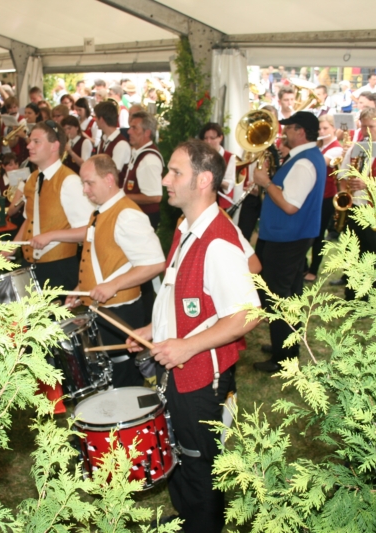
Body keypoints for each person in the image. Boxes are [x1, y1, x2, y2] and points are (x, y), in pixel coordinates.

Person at [127, 140, 261, 533]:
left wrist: (187, 345)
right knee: (179, 450)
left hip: (201, 376)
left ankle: (202, 524)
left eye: (175, 172)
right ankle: (188, 517)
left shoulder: (217, 241)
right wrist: (155, 330)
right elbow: (182, 294)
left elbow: (247, 313)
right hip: (180, 367)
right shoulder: (186, 227)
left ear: (203, 181)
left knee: (199, 460)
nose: (165, 180)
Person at [65, 154, 165, 387]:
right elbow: (101, 260)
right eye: (83, 183)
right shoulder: (100, 211)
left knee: (123, 378)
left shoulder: (127, 214)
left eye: (89, 183)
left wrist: (114, 285)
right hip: (102, 309)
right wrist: (81, 288)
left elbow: (156, 263)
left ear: (109, 179)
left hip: (121, 311)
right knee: (108, 375)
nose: (85, 190)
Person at [251, 111, 326, 373]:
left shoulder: (304, 162)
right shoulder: (305, 157)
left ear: (301, 131)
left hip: (287, 239)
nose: (284, 133)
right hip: (290, 236)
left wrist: (266, 182)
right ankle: (286, 347)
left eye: (289, 128)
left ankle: (283, 358)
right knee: (290, 295)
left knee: (277, 297)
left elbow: (290, 205)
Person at [8, 121, 95, 291]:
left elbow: (91, 229)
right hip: (30, 265)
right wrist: (11, 248)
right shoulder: (32, 178)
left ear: (54, 146)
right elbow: (29, 220)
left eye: (36, 142)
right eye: (30, 141)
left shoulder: (70, 182)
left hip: (59, 269)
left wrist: (51, 236)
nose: (29, 146)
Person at [336, 107, 376, 301]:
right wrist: (345, 193)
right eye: (363, 126)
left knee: (372, 254)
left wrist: (368, 184)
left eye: (371, 126)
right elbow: (342, 175)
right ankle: (351, 293)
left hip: (374, 211)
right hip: (354, 207)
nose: (367, 131)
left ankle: (369, 296)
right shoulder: (355, 148)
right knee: (352, 252)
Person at [305, 115, 343, 282]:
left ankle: (313, 270)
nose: (321, 132)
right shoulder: (320, 145)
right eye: (319, 129)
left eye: (325, 128)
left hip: (326, 196)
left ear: (334, 129)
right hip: (314, 195)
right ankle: (304, 266)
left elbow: (319, 163)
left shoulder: (336, 148)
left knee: (318, 234)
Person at [120, 111, 163, 229]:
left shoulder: (149, 159)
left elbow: (155, 197)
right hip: (137, 216)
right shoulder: (139, 153)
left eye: (134, 128)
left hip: (144, 219)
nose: (129, 131)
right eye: (130, 127)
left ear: (147, 132)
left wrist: (121, 196)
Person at [199, 122, 238, 212]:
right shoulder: (200, 156)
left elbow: (229, 184)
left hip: (220, 203)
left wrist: (212, 179)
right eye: (205, 138)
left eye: (212, 138)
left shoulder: (229, 157)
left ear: (220, 138)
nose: (208, 142)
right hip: (202, 201)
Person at [95, 100, 131, 172]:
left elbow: (113, 173)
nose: (95, 120)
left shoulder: (121, 144)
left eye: (96, 117)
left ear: (101, 119)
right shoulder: (104, 140)